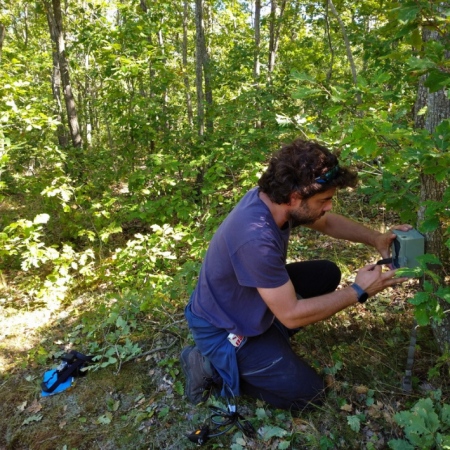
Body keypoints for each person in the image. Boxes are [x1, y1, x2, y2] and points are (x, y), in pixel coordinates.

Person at [181, 139, 411, 412]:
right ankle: (212, 367)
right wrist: (358, 291)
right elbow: (290, 313)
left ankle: (270, 340)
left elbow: (325, 221)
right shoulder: (255, 237)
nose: (328, 207)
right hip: (225, 329)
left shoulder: (273, 200)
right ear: (294, 197)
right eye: (323, 200)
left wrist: (376, 238)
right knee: (311, 395)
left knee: (326, 273)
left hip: (248, 301)